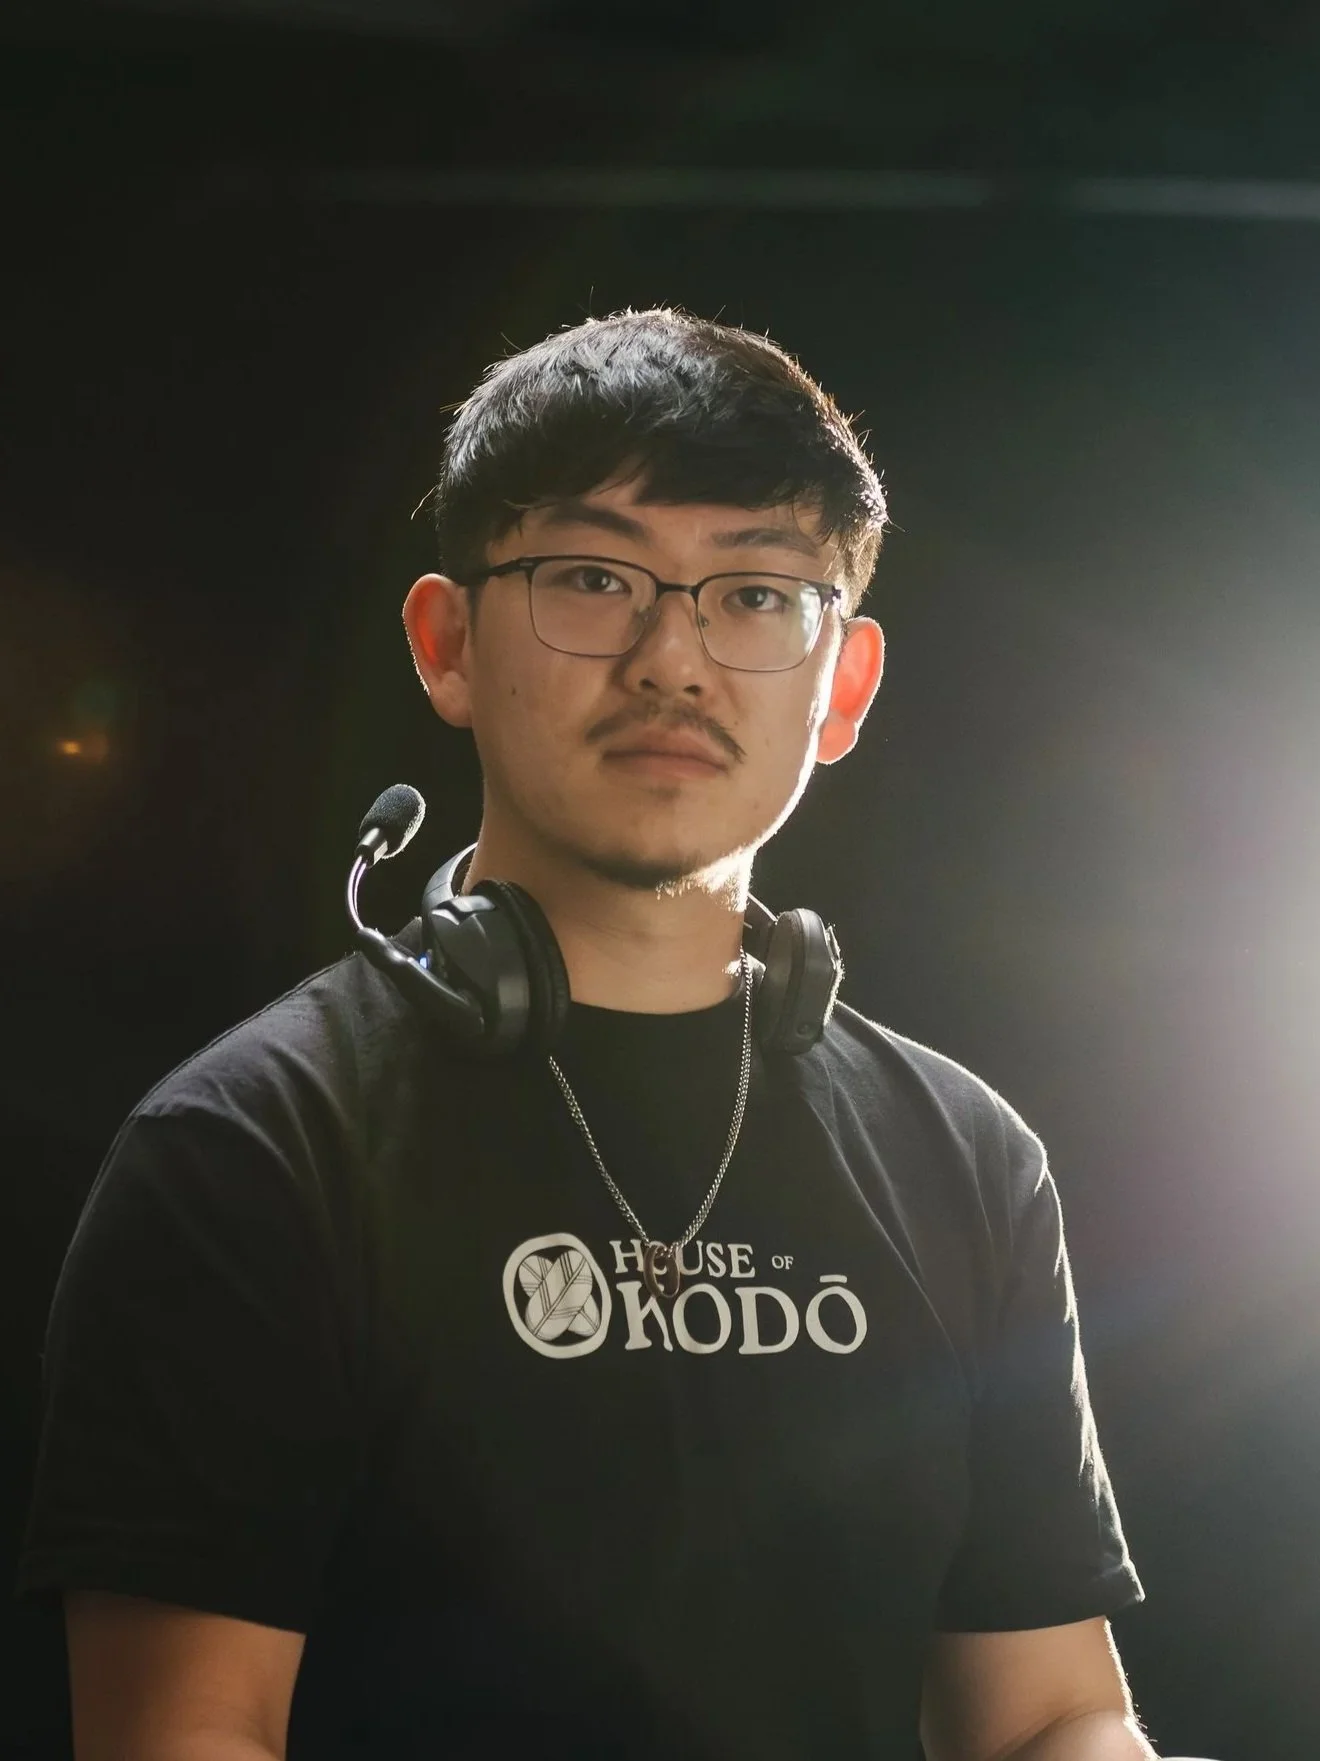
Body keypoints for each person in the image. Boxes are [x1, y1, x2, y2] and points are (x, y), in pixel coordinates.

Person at [17, 308, 1153, 1761]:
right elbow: (180, 1740)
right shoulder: (248, 1151)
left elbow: (1051, 1714)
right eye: (596, 579)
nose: (674, 660)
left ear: (844, 687)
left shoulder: (968, 1160)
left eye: (757, 595)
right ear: (447, 645)